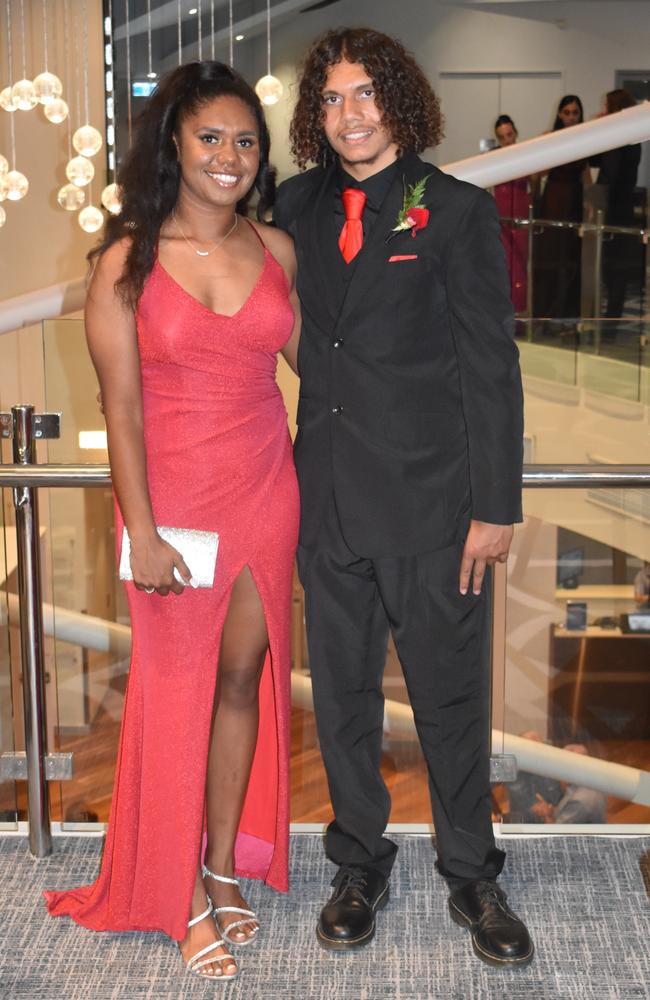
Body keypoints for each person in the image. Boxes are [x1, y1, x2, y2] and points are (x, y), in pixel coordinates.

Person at [274, 28, 532, 968]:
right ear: (317, 114)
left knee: (450, 702)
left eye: (366, 95)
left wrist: (495, 505)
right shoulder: (295, 203)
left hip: (436, 511)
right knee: (340, 700)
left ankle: (472, 873)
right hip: (327, 502)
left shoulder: (456, 213)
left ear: (399, 103)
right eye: (333, 99)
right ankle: (359, 864)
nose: (350, 115)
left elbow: (490, 369)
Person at [44, 61, 300, 981]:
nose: (229, 157)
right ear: (173, 146)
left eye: (244, 141)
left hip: (268, 488)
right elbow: (120, 411)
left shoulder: (277, 249)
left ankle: (222, 862)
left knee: (241, 680)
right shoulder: (127, 261)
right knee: (171, 691)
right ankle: (174, 891)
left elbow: (326, 366)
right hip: (175, 509)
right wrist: (139, 531)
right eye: (210, 139)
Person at [534, 95, 590, 329]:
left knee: (571, 259)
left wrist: (589, 210)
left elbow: (586, 177)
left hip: (574, 202)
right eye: (566, 112)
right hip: (553, 201)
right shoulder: (550, 137)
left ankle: (567, 318)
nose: (570, 117)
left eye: (574, 112)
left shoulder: (587, 137)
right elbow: (538, 172)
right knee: (549, 258)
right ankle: (543, 316)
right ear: (559, 114)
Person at [591, 89, 641, 326]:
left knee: (613, 271)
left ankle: (610, 323)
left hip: (613, 211)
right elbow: (595, 161)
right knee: (614, 270)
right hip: (621, 209)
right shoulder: (631, 139)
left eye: (607, 106)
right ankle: (611, 319)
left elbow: (608, 174)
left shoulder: (621, 140)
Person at [492, 115, 532, 314]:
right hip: (501, 219)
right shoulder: (494, 159)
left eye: (509, 135)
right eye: (502, 137)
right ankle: (504, 313)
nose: (507, 140)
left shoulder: (526, 155)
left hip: (521, 219)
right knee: (503, 266)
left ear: (515, 133)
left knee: (520, 267)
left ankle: (520, 313)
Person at [531, 744, 607, 824]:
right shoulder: (590, 781)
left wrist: (546, 815)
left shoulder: (579, 801)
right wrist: (551, 810)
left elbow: (557, 833)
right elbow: (566, 807)